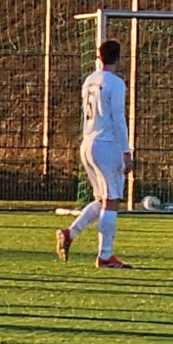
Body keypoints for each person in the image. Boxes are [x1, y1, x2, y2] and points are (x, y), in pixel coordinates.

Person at [55, 39, 134, 269]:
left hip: (87, 142)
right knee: (112, 200)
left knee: (101, 200)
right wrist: (126, 151)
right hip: (107, 144)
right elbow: (119, 119)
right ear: (119, 58)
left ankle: (70, 233)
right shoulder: (116, 83)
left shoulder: (90, 80)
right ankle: (105, 255)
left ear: (98, 57)